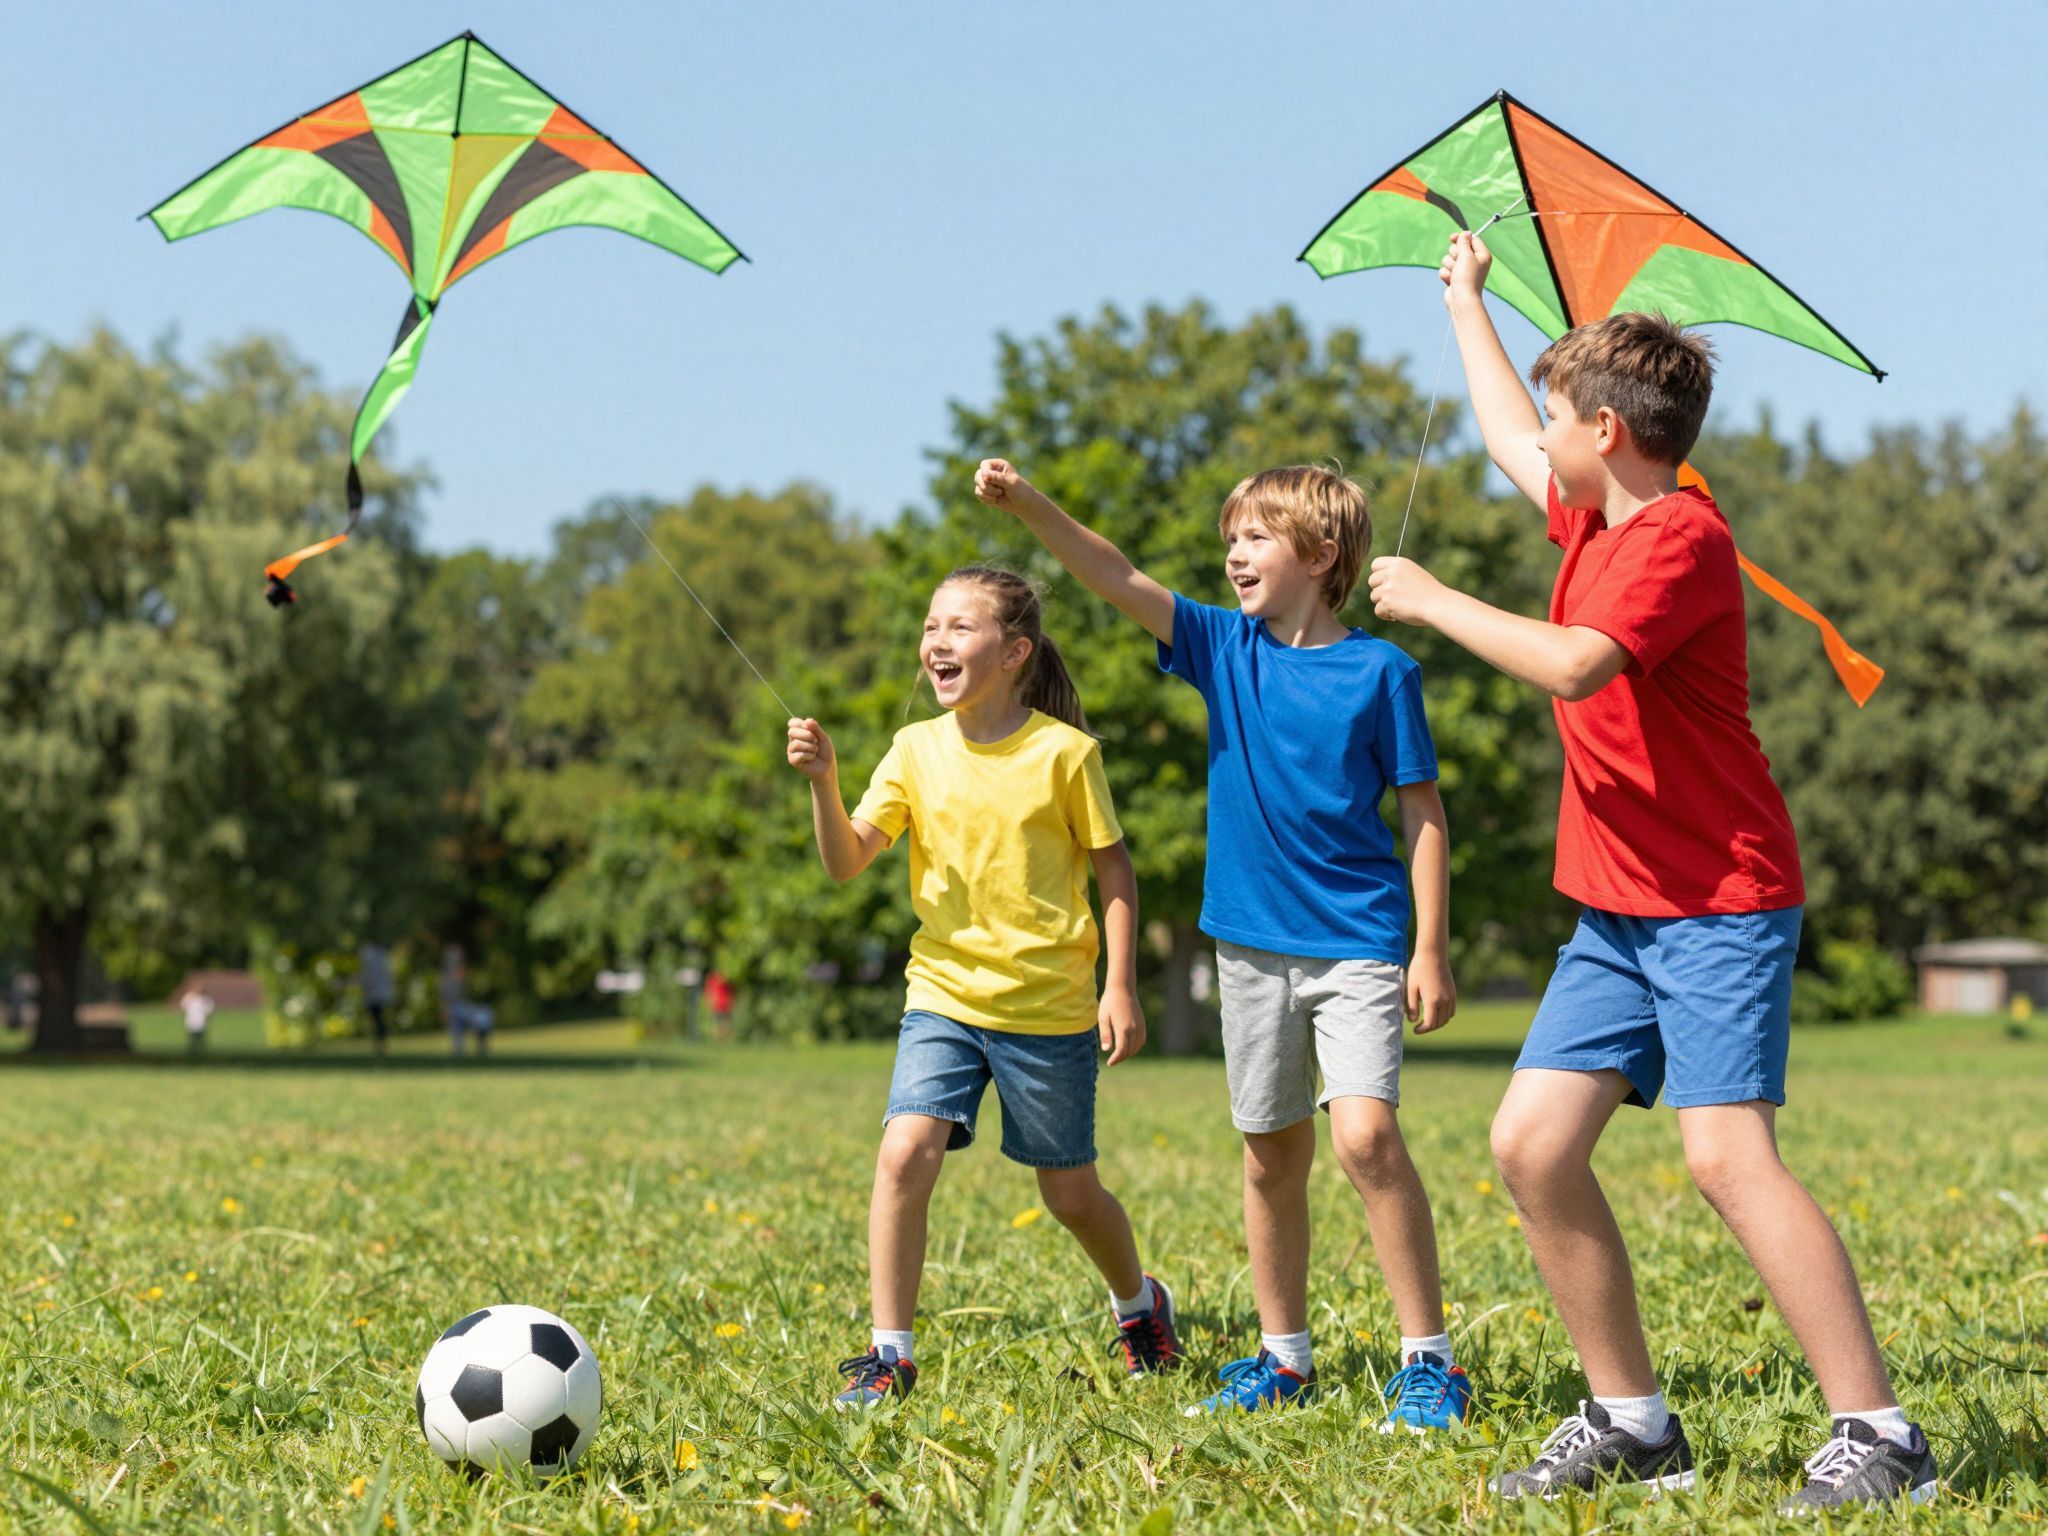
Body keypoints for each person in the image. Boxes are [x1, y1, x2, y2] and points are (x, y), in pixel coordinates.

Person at [1359, 230, 1936, 1511]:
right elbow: (1513, 435)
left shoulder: (1679, 541)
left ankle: (1880, 1437)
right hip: (1619, 909)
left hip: (1718, 898)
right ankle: (1629, 1421)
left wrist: (1435, 598)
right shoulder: (1591, 511)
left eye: (1565, 414)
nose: (1541, 440)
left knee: (1726, 1160)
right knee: (1529, 1145)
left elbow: (1573, 664)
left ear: (1611, 430)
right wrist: (1464, 306)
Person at [980, 460, 1470, 1432]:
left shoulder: (1382, 672)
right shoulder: (1221, 646)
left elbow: (1420, 814)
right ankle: (1283, 1357)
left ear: (1321, 553)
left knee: (1365, 1137)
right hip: (1246, 949)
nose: (1232, 553)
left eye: (1253, 536)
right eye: (1229, 538)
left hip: (1357, 942)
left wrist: (1429, 948)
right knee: (1266, 1154)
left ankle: (1429, 1360)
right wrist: (1030, 502)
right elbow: (1114, 576)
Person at [786, 565, 1178, 1409]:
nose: (937, 642)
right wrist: (825, 781)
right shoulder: (913, 749)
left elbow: (1115, 872)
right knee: (904, 1153)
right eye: (931, 627)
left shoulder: (1065, 755)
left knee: (1069, 1193)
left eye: (959, 628)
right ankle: (889, 1354)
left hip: (1049, 1007)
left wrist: (1121, 988)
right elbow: (847, 862)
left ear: (1014, 651)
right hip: (944, 997)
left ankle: (1139, 1304)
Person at [358, 941, 394, 1057]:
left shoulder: (372, 962)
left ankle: (380, 1046)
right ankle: (380, 1046)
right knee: (378, 1022)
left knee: (378, 1022)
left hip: (375, 997)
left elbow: (366, 981)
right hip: (378, 996)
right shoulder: (381, 960)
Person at [438, 945, 469, 1057]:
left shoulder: (459, 970)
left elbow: (462, 987)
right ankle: (457, 1049)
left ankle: (460, 1048)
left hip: (459, 1003)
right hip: (449, 1003)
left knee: (460, 1028)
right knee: (453, 1029)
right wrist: (443, 1006)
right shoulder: (445, 972)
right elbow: (442, 991)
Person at [181, 985, 215, 1058]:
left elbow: (209, 1010)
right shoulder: (189, 997)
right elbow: (183, 1005)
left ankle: (200, 1053)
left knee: (200, 1039)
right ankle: (192, 1052)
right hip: (191, 1022)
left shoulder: (205, 999)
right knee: (192, 1039)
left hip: (201, 1022)